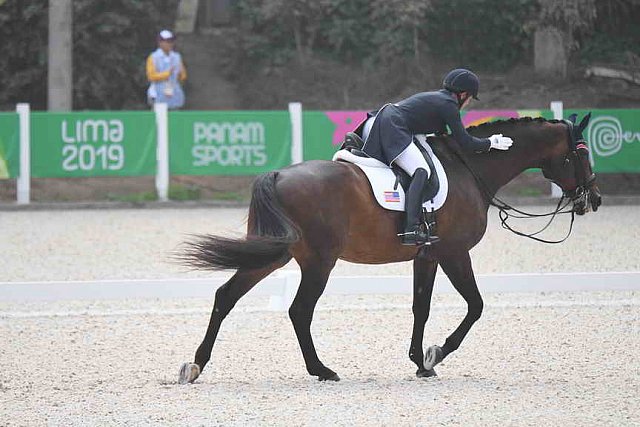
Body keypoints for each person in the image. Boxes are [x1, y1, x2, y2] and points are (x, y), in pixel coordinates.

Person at [358, 68, 514, 245]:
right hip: (392, 126)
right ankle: (411, 229)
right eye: (470, 98)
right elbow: (466, 142)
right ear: (463, 94)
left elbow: (443, 136)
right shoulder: (449, 105)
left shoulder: (438, 99)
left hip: (378, 120)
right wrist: (490, 143)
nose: (468, 102)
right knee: (421, 170)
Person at [146, 29, 187, 109]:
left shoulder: (176, 57)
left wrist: (181, 73)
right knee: (159, 119)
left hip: (174, 95)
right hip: (158, 95)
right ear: (160, 42)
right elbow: (151, 76)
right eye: (167, 41)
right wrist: (167, 73)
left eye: (171, 41)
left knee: (175, 119)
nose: (170, 44)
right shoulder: (153, 57)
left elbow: (183, 76)